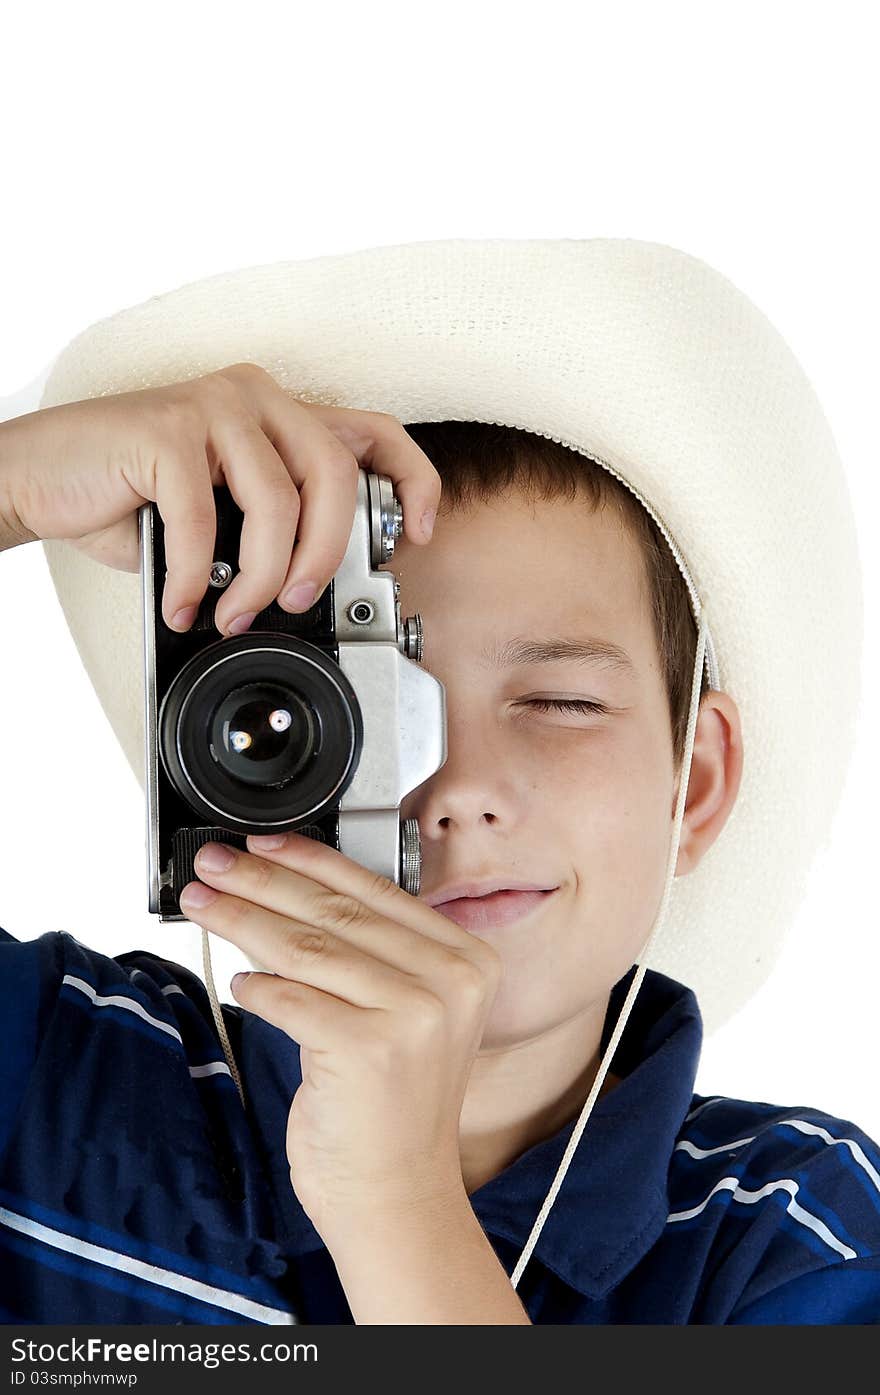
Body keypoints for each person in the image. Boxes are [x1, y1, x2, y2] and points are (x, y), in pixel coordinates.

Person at [0, 238, 878, 1325]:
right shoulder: (46, 1072)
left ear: (691, 784)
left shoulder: (797, 1237)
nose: (457, 788)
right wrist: (12, 480)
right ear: (221, 764)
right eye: (351, 717)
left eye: (559, 704)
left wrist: (394, 1204)